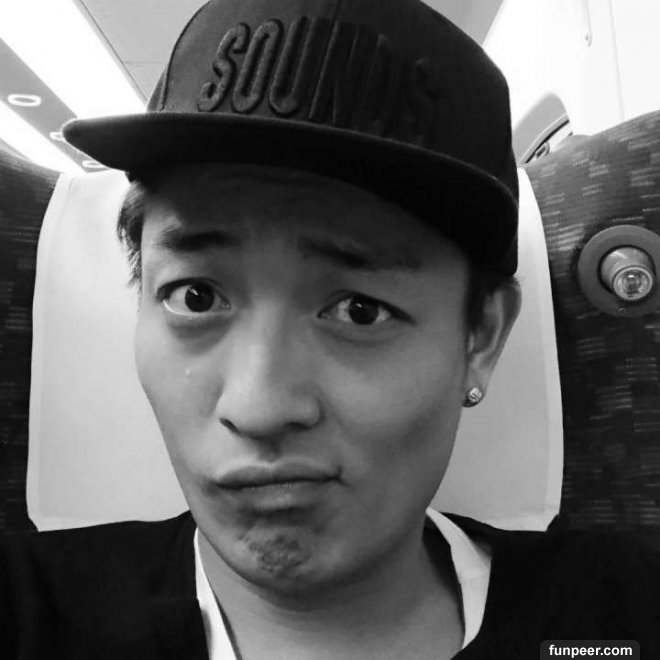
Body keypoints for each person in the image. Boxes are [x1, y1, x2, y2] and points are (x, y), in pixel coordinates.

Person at [2, 0, 659, 658]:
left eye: (359, 310)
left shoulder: (624, 608)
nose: (258, 408)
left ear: (480, 337)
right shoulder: (30, 610)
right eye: (195, 297)